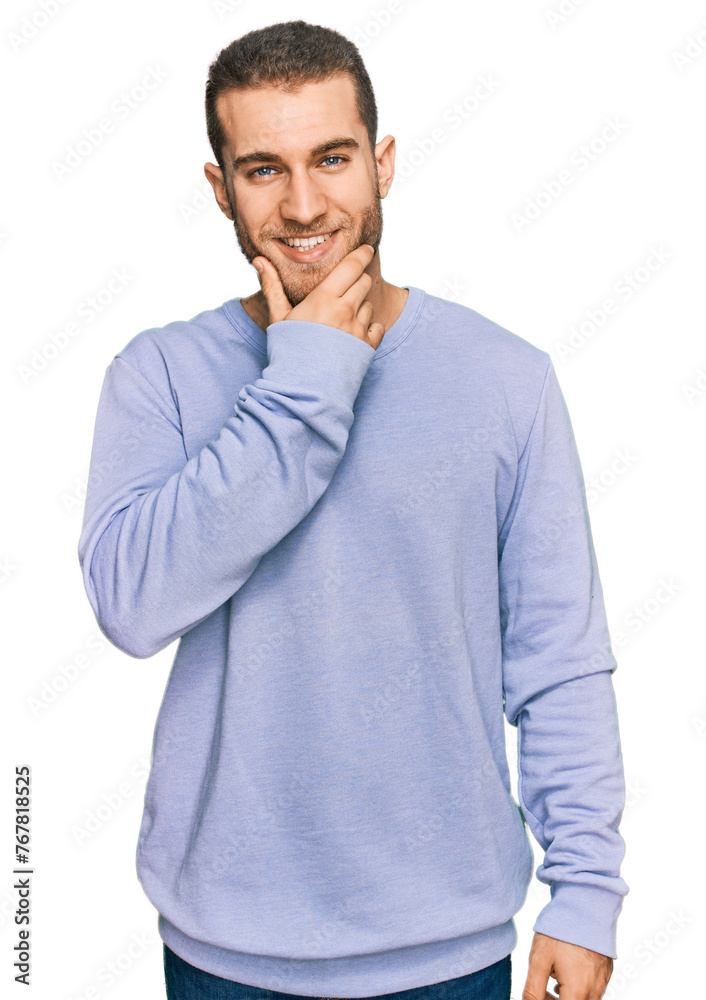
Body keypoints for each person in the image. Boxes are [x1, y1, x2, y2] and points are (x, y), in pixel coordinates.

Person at [77, 19, 628, 1000]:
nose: (300, 204)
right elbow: (130, 604)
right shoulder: (157, 376)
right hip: (223, 949)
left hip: (448, 947)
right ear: (220, 188)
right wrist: (307, 382)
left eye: (330, 158)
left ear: (380, 162)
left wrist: (582, 895)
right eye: (261, 169)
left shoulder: (505, 379)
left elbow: (559, 660)